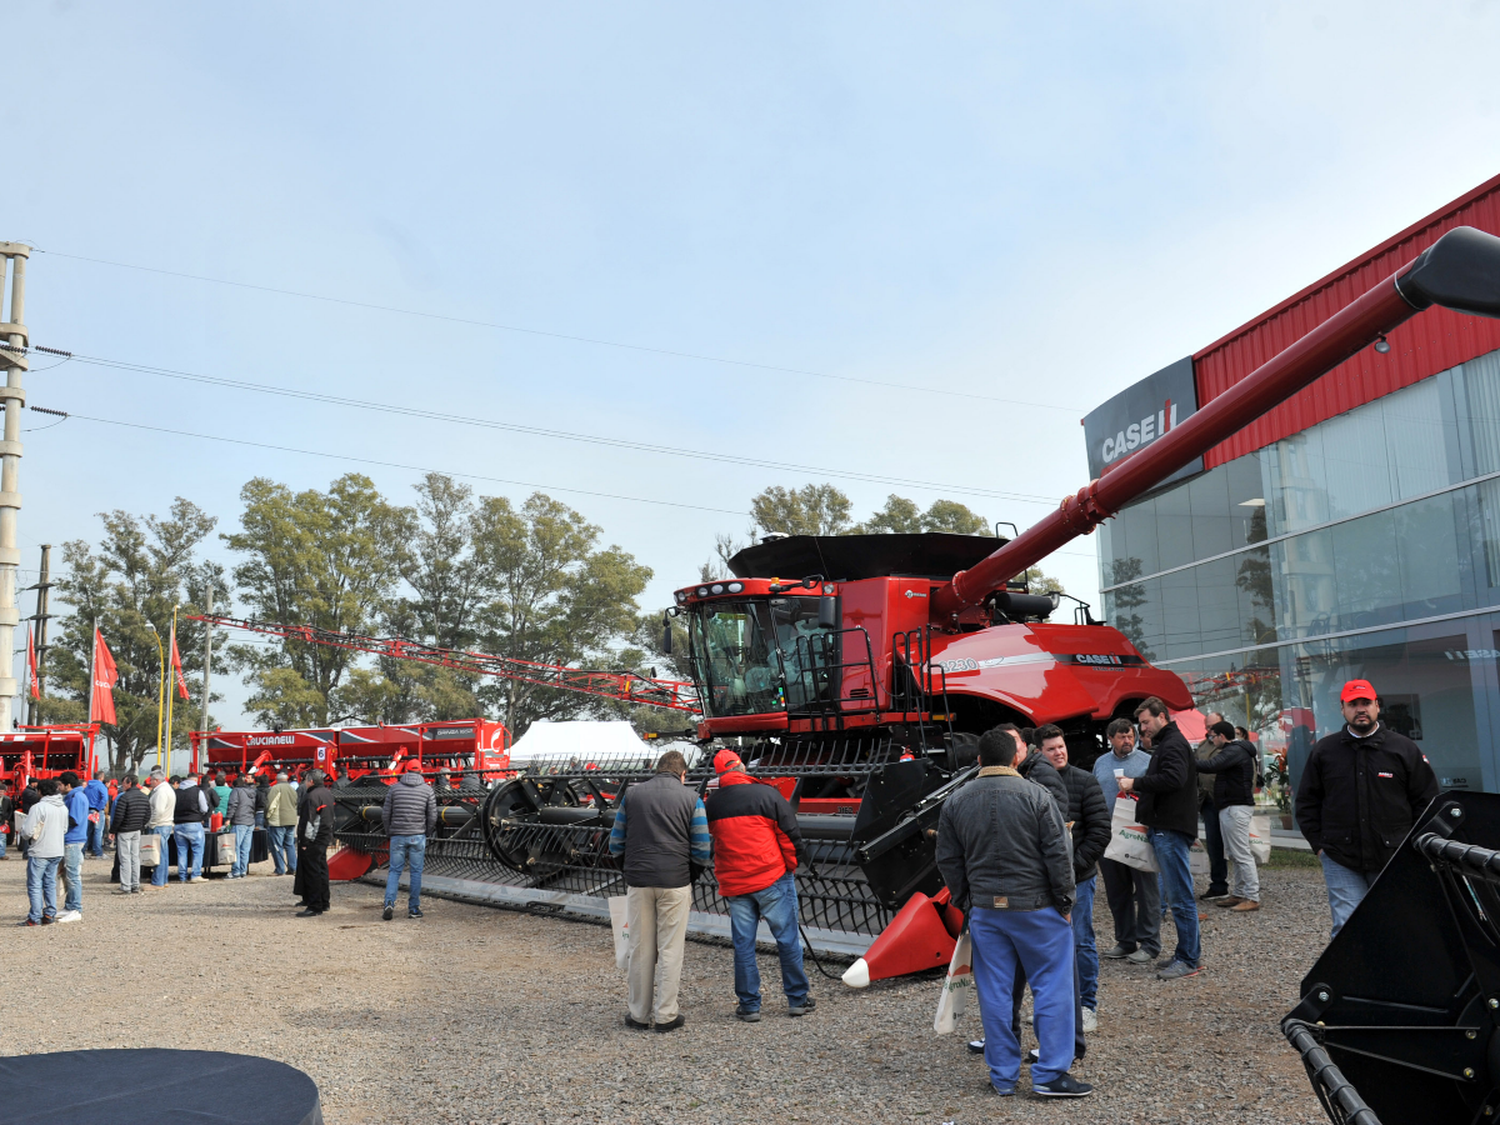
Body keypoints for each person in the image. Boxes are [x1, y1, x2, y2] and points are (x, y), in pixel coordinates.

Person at [937, 728, 1090, 1099]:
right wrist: (1065, 903)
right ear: (1016, 758)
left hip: (987, 911)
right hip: (1037, 909)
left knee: (994, 992)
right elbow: (1058, 855)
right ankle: (1050, 1073)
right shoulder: (1037, 796)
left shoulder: (955, 802)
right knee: (1052, 987)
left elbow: (947, 859)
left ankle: (1003, 1075)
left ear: (978, 761)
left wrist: (966, 901)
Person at [1295, 679, 1439, 937]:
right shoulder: (1325, 751)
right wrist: (1320, 846)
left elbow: (1426, 801)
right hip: (1340, 857)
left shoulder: (1403, 748)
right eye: (1353, 704)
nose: (1360, 709)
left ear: (1377, 707)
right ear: (1343, 709)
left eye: (1366, 703)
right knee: (1347, 928)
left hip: (1394, 856)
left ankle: (1394, 977)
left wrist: (1413, 847)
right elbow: (1308, 801)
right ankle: (1352, 977)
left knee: (1396, 924)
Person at [704, 749, 812, 1022]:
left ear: (719, 774)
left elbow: (710, 842)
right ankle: (797, 999)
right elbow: (789, 836)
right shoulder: (767, 795)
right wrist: (791, 866)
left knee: (743, 945)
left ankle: (750, 1005)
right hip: (771, 878)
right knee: (787, 939)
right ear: (741, 766)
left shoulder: (712, 805)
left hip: (735, 884)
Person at [607, 749, 710, 1033]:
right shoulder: (692, 799)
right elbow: (702, 848)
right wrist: (689, 876)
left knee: (640, 949)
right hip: (675, 882)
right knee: (670, 949)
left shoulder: (632, 796)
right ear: (683, 774)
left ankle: (638, 1014)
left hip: (639, 882)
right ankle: (666, 1015)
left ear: (656, 769)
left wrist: (628, 871)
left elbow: (615, 843)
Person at [1118, 698, 1200, 981]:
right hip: (1166, 826)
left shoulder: (1174, 743)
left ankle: (1189, 958)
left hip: (1170, 828)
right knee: (1176, 895)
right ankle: (1184, 953)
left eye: (1145, 722)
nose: (1143, 728)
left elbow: (1174, 779)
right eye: (1140, 723)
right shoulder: (1169, 743)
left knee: (1180, 898)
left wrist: (1136, 783)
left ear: (1162, 717)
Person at [1037, 724, 1111, 1032]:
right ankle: (1054, 1007)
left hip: (1079, 878)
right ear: (1039, 753)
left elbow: (1099, 832)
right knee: (1047, 947)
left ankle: (1086, 1005)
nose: (1059, 752)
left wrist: (1073, 868)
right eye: (1051, 748)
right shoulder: (1034, 785)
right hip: (1043, 883)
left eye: (1061, 745)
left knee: (1080, 941)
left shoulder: (1084, 781)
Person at [1093, 718, 1161, 965]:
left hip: (1138, 834)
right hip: (1110, 836)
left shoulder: (1146, 761)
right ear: (1110, 739)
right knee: (1117, 892)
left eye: (1130, 736)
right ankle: (1125, 940)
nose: (1127, 741)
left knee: (1146, 891)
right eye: (1121, 737)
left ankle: (1150, 943)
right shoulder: (1101, 764)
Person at [1196, 720, 1261, 912]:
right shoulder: (1237, 750)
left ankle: (1252, 896)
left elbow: (1211, 765)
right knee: (1234, 853)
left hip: (1236, 807)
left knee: (1241, 854)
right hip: (1230, 806)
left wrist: (1184, 759)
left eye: (1212, 736)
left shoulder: (1234, 751)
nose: (1211, 740)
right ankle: (1240, 892)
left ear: (1221, 736)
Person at [381, 762, 437, 920]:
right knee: (416, 872)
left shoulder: (394, 789)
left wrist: (389, 831)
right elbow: (432, 816)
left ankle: (389, 903)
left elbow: (386, 814)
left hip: (398, 835)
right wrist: (427, 832)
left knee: (394, 871)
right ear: (421, 771)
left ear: (405, 771)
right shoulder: (427, 790)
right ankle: (413, 909)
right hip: (417, 835)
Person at [18, 779, 67, 925]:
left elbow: (27, 831)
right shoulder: (63, 807)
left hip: (40, 850)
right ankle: (50, 914)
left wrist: (24, 833)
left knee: (35, 884)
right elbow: (64, 829)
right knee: (50, 883)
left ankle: (34, 916)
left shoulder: (38, 807)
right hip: (57, 849)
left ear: (40, 791)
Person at [1193, 712, 1230, 902]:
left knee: (1234, 846)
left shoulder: (1232, 746)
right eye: (1207, 727)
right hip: (1207, 801)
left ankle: (1244, 888)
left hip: (1227, 801)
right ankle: (1218, 884)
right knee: (1214, 844)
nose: (1209, 731)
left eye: (1213, 727)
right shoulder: (1202, 746)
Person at [294, 770, 335, 916]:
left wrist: (305, 842)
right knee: (322, 869)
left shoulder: (311, 797)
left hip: (313, 839)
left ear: (310, 781)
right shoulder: (327, 794)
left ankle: (314, 905)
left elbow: (308, 822)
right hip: (324, 837)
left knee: (312, 872)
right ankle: (324, 902)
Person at [110, 774, 150, 894]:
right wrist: (140, 825)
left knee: (125, 858)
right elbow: (148, 814)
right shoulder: (144, 797)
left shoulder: (124, 798)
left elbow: (118, 817)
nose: (122, 786)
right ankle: (135, 884)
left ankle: (126, 886)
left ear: (129, 783)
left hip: (124, 831)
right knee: (135, 857)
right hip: (137, 830)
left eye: (124, 784)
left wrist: (112, 831)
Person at [57, 771, 89, 922]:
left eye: (61, 785)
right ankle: (69, 905)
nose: (59, 788)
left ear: (68, 785)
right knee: (68, 874)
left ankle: (76, 908)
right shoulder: (75, 796)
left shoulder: (76, 797)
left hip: (73, 839)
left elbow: (73, 819)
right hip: (73, 839)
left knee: (73, 875)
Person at [173, 773, 211, 883]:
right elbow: (204, 808)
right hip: (194, 823)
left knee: (181, 851)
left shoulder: (176, 792)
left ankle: (182, 876)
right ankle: (195, 875)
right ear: (195, 780)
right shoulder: (198, 791)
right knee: (197, 850)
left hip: (179, 824)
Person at [145, 770, 176, 888]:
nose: (150, 783)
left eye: (151, 780)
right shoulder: (167, 789)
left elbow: (158, 810)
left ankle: (158, 881)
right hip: (165, 824)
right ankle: (163, 879)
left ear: (157, 780)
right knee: (163, 853)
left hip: (159, 825)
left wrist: (151, 823)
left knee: (157, 854)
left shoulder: (160, 792)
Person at [224, 775, 259, 878]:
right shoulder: (252, 792)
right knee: (245, 848)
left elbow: (232, 805)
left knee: (236, 847)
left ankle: (236, 871)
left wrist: (228, 818)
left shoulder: (236, 792)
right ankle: (243, 870)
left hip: (239, 821)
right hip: (250, 821)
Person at [265, 772, 299, 877]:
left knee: (277, 846)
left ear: (277, 779)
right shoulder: (292, 789)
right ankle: (293, 867)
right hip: (291, 820)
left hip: (278, 821)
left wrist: (267, 817)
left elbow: (271, 805)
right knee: (290, 845)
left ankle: (280, 869)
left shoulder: (275, 789)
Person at [84, 770, 111, 858]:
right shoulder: (101, 786)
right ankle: (97, 852)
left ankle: (83, 851)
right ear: (101, 777)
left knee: (87, 832)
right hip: (98, 812)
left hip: (88, 811)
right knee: (98, 832)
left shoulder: (88, 786)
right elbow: (104, 799)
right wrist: (98, 808)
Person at [0, 780, 13, 860]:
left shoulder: (7, 800)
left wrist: (7, 819)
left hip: (3, 821)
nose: (0, 793)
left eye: (2, 791)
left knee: (3, 838)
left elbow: (10, 810)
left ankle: (2, 854)